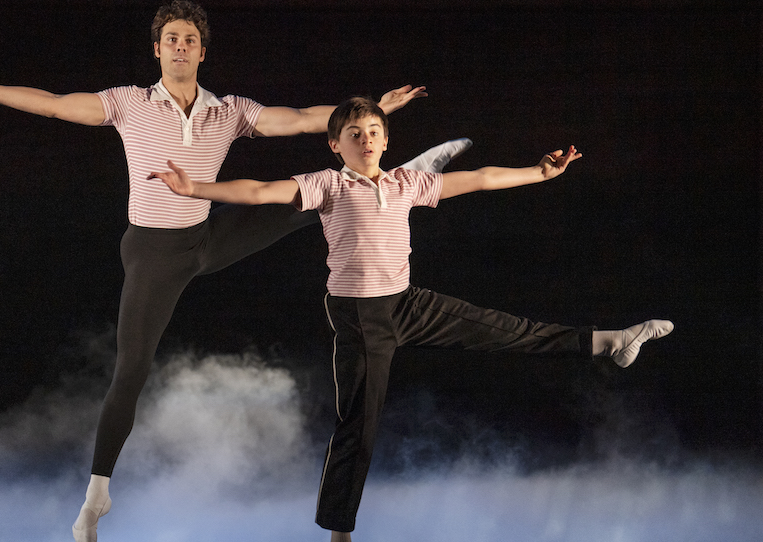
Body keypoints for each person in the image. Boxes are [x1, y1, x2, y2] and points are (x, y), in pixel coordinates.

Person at [0, 2, 471, 540]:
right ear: (157, 50)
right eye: (171, 39)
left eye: (190, 40)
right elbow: (53, 104)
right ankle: (96, 495)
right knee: (130, 370)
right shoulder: (127, 103)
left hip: (207, 239)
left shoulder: (227, 110)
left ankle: (396, 180)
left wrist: (374, 110)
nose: (180, 47)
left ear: (202, 52)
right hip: (153, 253)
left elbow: (304, 120)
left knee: (306, 199)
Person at [153, 96, 675, 541]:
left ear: (385, 138)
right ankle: (339, 534)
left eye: (375, 131)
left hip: (406, 302)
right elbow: (259, 190)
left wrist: (540, 173)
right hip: (360, 317)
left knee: (504, 329)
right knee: (359, 425)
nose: (367, 139)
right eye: (354, 133)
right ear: (335, 144)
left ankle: (609, 342)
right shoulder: (328, 185)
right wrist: (194, 189)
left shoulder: (406, 183)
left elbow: (481, 179)